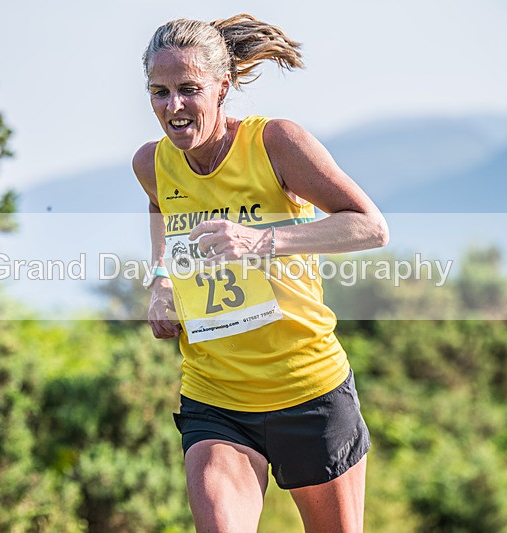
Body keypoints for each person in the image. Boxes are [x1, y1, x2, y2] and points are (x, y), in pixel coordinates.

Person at [132, 14, 389, 533]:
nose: (173, 106)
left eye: (189, 90)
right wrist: (160, 280)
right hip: (216, 395)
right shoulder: (150, 163)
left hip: (308, 388)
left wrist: (261, 241)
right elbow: (162, 212)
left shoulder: (276, 143)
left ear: (222, 87)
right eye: (159, 92)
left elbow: (370, 227)